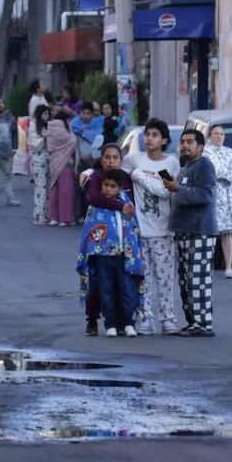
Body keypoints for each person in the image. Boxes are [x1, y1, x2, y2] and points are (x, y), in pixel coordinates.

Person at [121, 120, 181, 335]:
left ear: (164, 140)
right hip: (140, 230)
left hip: (163, 230)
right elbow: (113, 173)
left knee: (165, 278)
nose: (149, 138)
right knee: (142, 278)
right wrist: (88, 175)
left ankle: (168, 319)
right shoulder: (133, 159)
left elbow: (165, 191)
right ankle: (145, 317)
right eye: (147, 134)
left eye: (155, 135)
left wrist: (139, 176)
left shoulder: (171, 163)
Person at [76, 168, 146, 338]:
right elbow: (89, 230)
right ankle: (110, 324)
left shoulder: (126, 203)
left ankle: (128, 323)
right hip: (102, 256)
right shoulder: (96, 206)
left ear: (119, 188)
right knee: (105, 292)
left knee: (127, 291)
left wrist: (136, 250)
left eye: (112, 186)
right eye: (105, 185)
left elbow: (133, 227)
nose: (108, 189)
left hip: (124, 256)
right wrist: (88, 252)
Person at [164, 129, 218, 337]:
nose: (185, 145)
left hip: (200, 230)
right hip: (184, 231)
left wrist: (178, 188)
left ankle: (203, 324)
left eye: (190, 142)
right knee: (186, 280)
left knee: (198, 279)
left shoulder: (204, 165)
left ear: (201, 147)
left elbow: (205, 195)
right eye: (183, 142)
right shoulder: (186, 166)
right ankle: (193, 322)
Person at [79, 143, 135, 334]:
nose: (111, 161)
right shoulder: (95, 177)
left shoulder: (126, 178)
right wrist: (119, 206)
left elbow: (132, 205)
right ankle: (92, 320)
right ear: (101, 160)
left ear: (121, 160)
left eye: (115, 158)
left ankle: (122, 321)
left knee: (123, 283)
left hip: (122, 242)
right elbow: (94, 198)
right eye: (107, 157)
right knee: (96, 282)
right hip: (99, 242)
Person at [204, 125, 232, 278]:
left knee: (228, 233)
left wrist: (226, 176)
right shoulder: (206, 152)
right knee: (212, 233)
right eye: (216, 134)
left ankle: (229, 266)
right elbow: (214, 170)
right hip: (214, 196)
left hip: (229, 197)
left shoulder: (229, 151)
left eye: (221, 134)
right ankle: (208, 266)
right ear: (210, 136)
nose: (219, 136)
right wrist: (225, 174)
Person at [46, 111, 77, 225]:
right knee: (66, 191)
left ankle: (53, 218)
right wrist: (71, 130)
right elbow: (73, 141)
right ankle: (64, 218)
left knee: (54, 190)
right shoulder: (65, 133)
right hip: (65, 163)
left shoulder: (50, 129)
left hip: (53, 163)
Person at [29, 105, 51, 225]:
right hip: (38, 159)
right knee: (40, 188)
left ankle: (47, 213)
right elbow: (33, 145)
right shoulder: (33, 126)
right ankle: (39, 215)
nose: (47, 116)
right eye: (44, 114)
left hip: (48, 159)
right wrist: (44, 138)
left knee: (48, 187)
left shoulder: (48, 126)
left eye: (48, 114)